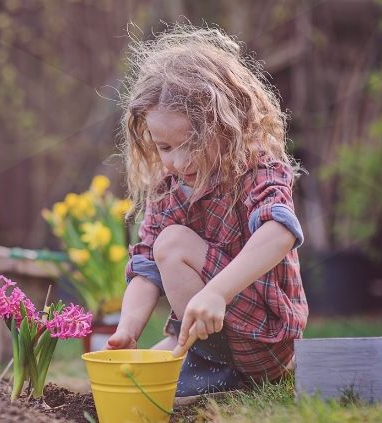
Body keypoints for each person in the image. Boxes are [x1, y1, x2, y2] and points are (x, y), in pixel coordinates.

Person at [106, 24, 308, 398]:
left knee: (174, 244)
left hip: (264, 332)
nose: (179, 161)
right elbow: (146, 264)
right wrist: (128, 328)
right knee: (133, 380)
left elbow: (280, 231)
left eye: (192, 143)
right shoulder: (168, 188)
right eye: (165, 147)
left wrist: (216, 292)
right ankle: (208, 360)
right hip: (210, 331)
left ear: (228, 126)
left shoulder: (257, 169)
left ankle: (221, 366)